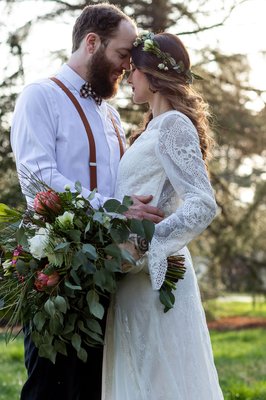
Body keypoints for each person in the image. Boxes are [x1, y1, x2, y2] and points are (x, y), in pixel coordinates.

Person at [10, 5, 163, 400]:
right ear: (92, 42)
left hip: (107, 273)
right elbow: (39, 180)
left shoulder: (110, 116)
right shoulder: (39, 97)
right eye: (122, 54)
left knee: (98, 387)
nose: (128, 67)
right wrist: (114, 207)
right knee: (52, 387)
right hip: (55, 271)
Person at [102, 32, 224, 399]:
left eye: (134, 70)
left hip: (156, 279)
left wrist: (145, 244)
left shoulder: (173, 125)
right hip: (133, 279)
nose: (127, 76)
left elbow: (202, 203)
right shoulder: (152, 128)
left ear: (152, 73)